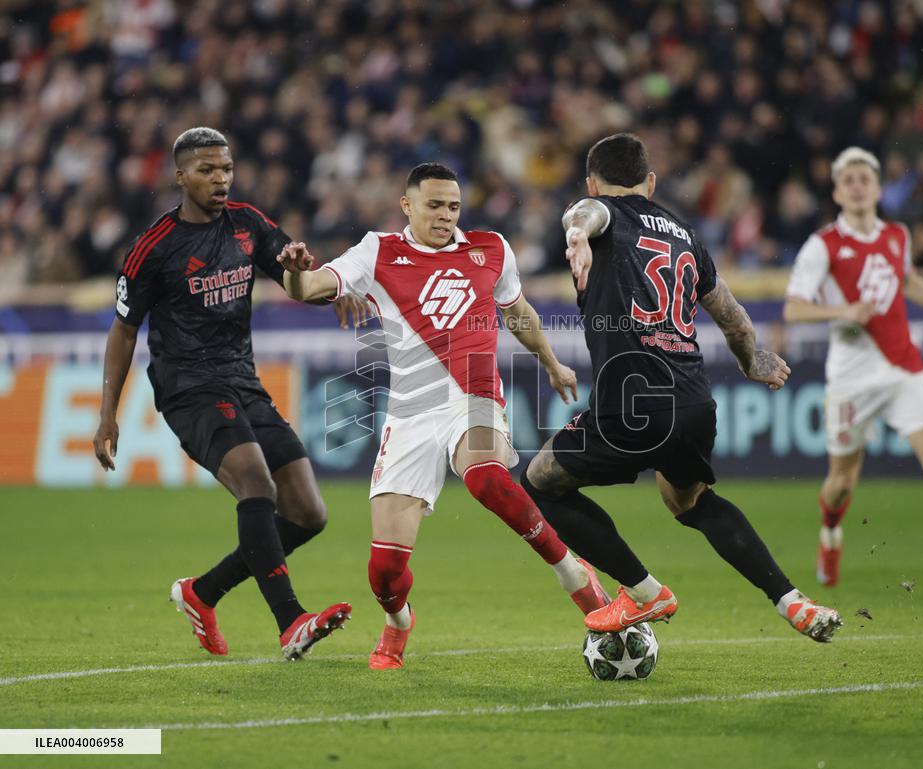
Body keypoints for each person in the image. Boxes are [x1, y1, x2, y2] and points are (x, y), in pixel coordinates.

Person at [277, 162, 611, 670]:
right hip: (409, 413)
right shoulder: (378, 251)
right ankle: (398, 624)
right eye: (434, 205)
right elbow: (308, 289)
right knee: (384, 573)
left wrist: (550, 361)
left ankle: (572, 572)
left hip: (473, 397)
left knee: (485, 477)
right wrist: (296, 271)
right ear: (406, 205)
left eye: (453, 206)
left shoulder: (491, 249)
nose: (445, 216)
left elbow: (516, 311)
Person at [520, 133, 843, 642]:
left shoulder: (597, 212)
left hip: (633, 399)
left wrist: (578, 232)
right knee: (689, 499)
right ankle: (791, 601)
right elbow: (734, 320)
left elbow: (587, 214)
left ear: (592, 183)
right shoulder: (684, 233)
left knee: (540, 483)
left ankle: (645, 592)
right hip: (693, 400)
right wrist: (751, 361)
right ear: (650, 182)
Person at [92, 127, 353, 661]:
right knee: (257, 483)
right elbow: (122, 331)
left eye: (227, 169)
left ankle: (201, 593)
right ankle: (291, 622)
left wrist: (323, 280)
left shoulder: (247, 224)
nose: (220, 179)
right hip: (187, 384)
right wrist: (107, 416)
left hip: (241, 378)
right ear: (180, 176)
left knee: (308, 512)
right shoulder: (154, 247)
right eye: (207, 170)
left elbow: (295, 275)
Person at [783, 146, 923, 588]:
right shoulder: (823, 245)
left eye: (866, 179)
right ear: (838, 193)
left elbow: (908, 279)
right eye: (850, 181)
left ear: (879, 189)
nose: (859, 187)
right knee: (842, 480)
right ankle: (830, 530)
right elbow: (793, 310)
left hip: (903, 364)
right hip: (851, 376)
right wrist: (843, 312)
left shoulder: (897, 235)